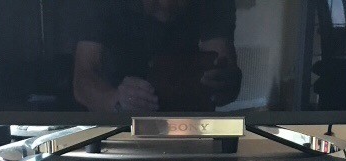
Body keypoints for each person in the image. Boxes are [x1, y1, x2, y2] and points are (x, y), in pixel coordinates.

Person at [73, 0, 242, 113]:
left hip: (190, 126)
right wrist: (116, 100)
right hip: (116, 128)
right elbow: (83, 78)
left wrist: (226, 84)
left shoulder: (216, 4)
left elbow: (221, 70)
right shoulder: (98, 4)